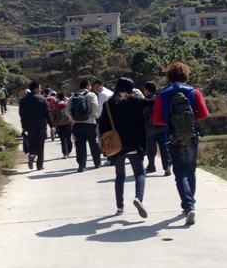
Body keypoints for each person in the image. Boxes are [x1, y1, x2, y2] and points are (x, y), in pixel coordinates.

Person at [152, 62, 209, 225]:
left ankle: (188, 206)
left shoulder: (163, 95)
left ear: (169, 77)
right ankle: (190, 205)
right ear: (186, 75)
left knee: (180, 174)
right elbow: (204, 114)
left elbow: (156, 119)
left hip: (173, 138)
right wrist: (190, 119)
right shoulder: (194, 92)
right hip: (191, 136)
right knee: (191, 171)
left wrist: (171, 122)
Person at [98, 77, 148, 218]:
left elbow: (103, 126)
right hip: (134, 144)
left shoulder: (108, 104)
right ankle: (138, 198)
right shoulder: (134, 101)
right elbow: (152, 102)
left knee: (120, 176)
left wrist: (104, 147)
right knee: (139, 173)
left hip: (117, 146)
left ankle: (120, 207)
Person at [19, 80, 55, 171]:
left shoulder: (23, 100)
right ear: (35, 88)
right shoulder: (42, 99)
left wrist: (24, 126)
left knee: (32, 142)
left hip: (29, 127)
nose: (40, 89)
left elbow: (21, 114)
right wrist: (52, 125)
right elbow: (47, 114)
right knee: (41, 145)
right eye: (39, 88)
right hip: (41, 126)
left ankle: (32, 153)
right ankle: (39, 165)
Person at [67, 79, 101, 172]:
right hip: (90, 123)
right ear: (88, 86)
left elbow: (67, 110)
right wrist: (93, 116)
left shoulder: (73, 96)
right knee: (93, 143)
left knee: (80, 145)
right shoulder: (91, 95)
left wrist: (73, 118)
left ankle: (81, 165)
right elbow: (95, 107)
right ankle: (97, 162)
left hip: (77, 124)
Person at [143, 81, 172, 176]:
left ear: (146, 90)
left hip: (150, 128)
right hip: (162, 126)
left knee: (151, 148)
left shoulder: (146, 100)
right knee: (164, 147)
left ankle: (151, 166)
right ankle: (167, 166)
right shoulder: (160, 98)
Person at [54, 91, 73, 159]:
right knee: (68, 138)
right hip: (68, 123)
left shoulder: (56, 105)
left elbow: (55, 114)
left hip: (60, 124)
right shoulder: (66, 104)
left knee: (62, 139)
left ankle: (65, 153)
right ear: (63, 97)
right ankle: (69, 150)